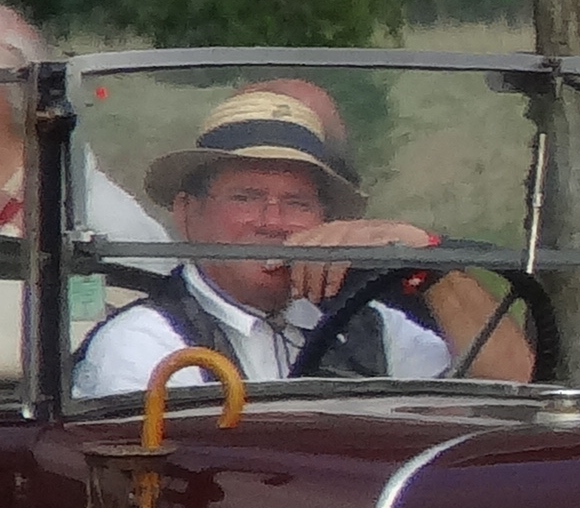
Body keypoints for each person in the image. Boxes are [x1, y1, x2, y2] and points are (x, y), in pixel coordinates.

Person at [66, 86, 463, 395]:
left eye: (297, 203)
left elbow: (495, 396)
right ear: (187, 214)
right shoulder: (143, 343)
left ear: (325, 220)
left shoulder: (370, 325)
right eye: (246, 197)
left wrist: (429, 260)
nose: (273, 222)